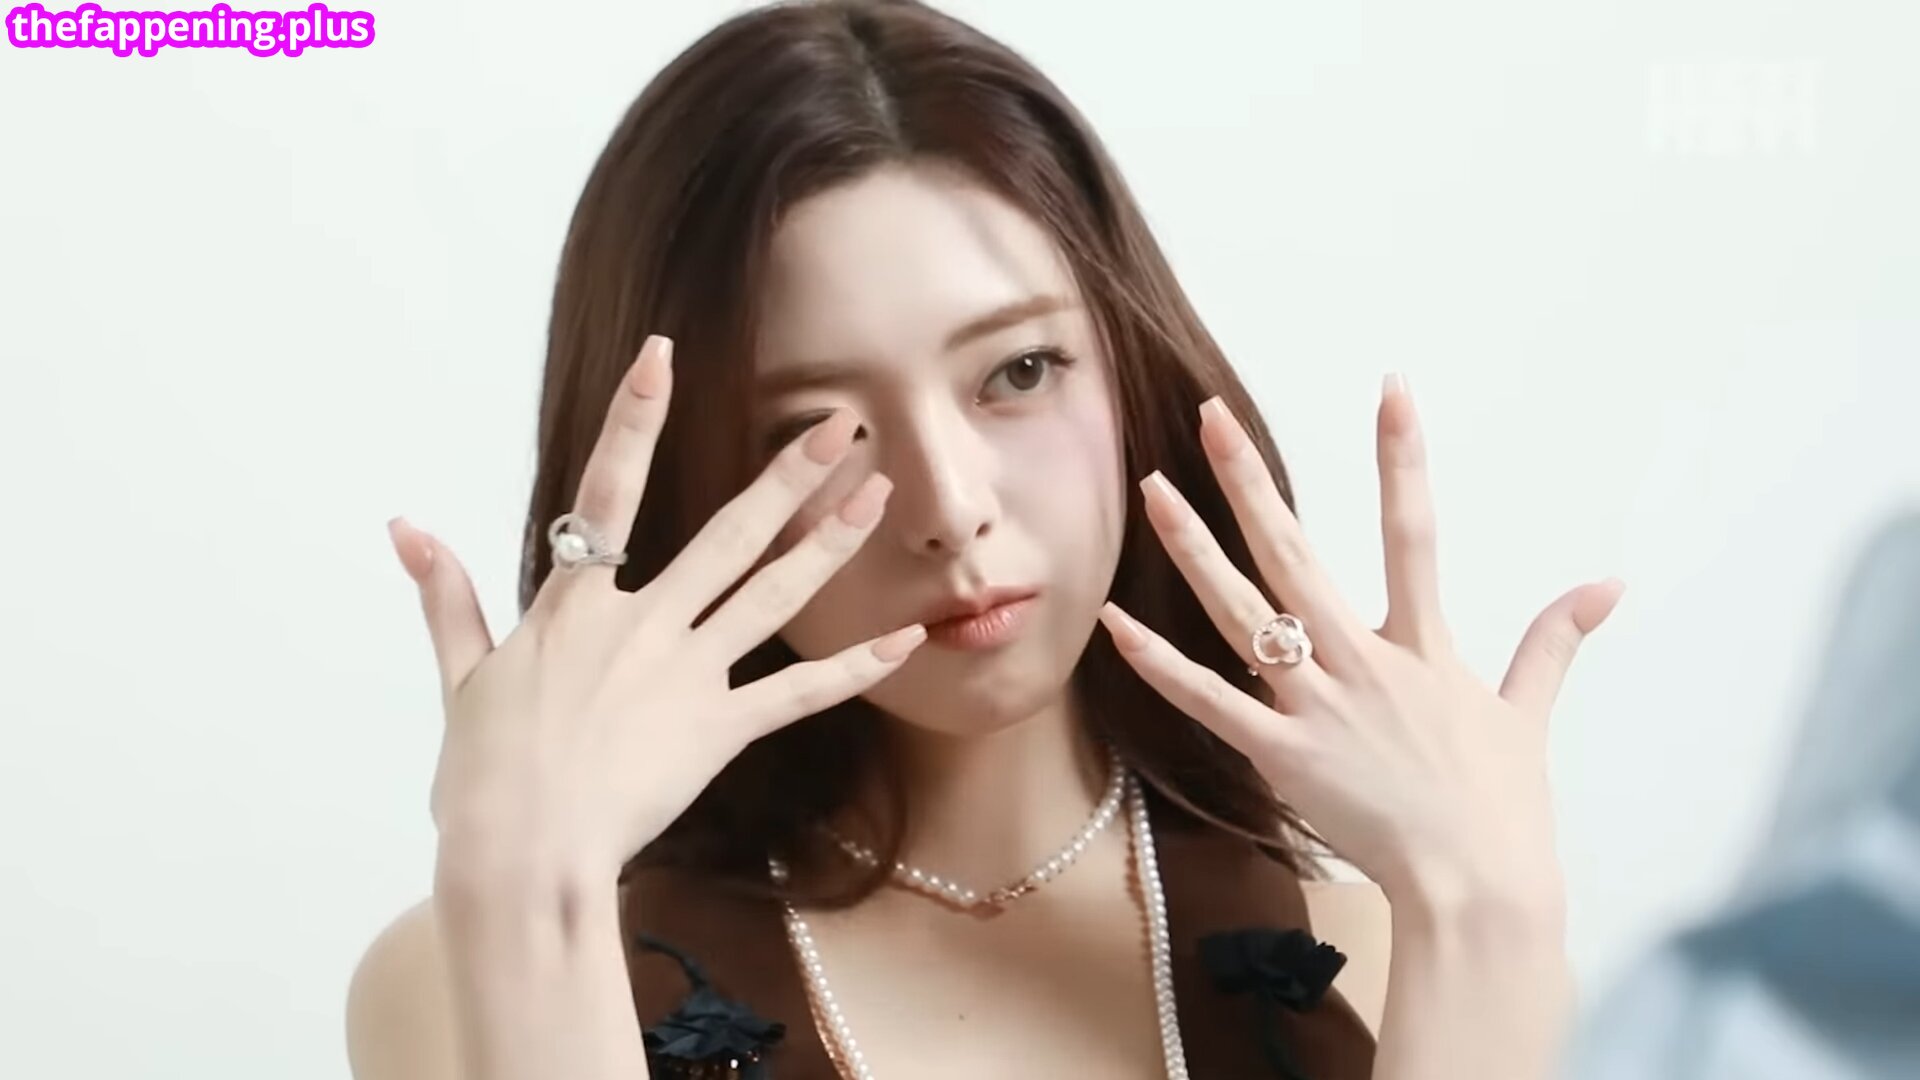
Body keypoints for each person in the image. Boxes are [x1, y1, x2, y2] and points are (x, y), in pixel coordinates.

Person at [344, 2, 1624, 1077]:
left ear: (1127, 373)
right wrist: (529, 894)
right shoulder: (471, 974)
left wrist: (1489, 908)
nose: (950, 506)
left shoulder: (1402, 954)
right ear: (693, 484)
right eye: (817, 431)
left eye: (1017, 372)